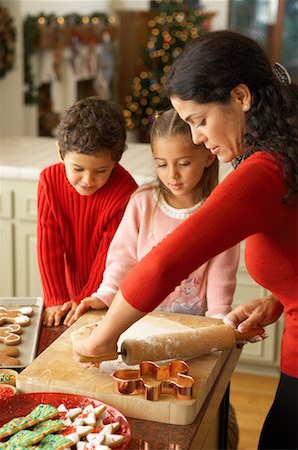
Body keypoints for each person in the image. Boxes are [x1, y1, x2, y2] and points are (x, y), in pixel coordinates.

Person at [72, 31, 298, 449]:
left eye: (199, 120)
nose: (196, 138)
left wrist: (101, 339)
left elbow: (165, 261)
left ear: (241, 97)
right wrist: (278, 300)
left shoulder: (266, 169)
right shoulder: (287, 147)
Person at [68, 108, 239, 326]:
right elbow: (123, 258)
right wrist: (106, 294)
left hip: (190, 326)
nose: (172, 175)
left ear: (207, 156)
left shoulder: (219, 213)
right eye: (162, 164)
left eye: (184, 163)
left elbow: (221, 277)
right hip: (136, 321)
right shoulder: (143, 202)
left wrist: (219, 320)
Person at [37, 96, 137, 327]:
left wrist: (86, 300)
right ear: (60, 153)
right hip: (70, 294)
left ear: (116, 160)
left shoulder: (124, 191)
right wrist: (56, 299)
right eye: (77, 168)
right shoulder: (49, 181)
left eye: (101, 170)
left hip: (108, 296)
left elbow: (109, 255)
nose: (88, 180)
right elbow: (48, 246)